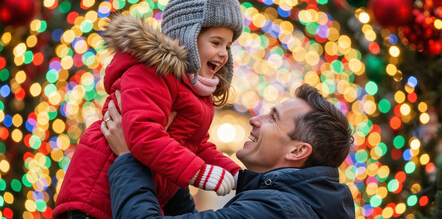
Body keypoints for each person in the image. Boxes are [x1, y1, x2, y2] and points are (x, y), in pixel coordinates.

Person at [53, 0, 244, 218]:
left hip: (125, 195)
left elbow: (198, 146)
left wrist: (236, 173)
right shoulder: (153, 72)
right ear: (188, 37)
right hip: (97, 196)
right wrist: (197, 172)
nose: (224, 53)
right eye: (216, 43)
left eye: (228, 45)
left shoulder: (193, 90)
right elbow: (141, 132)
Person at [103, 84, 356, 219]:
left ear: (298, 150)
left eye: (273, 119)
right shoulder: (296, 206)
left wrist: (129, 157)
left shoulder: (276, 210)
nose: (255, 119)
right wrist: (165, 157)